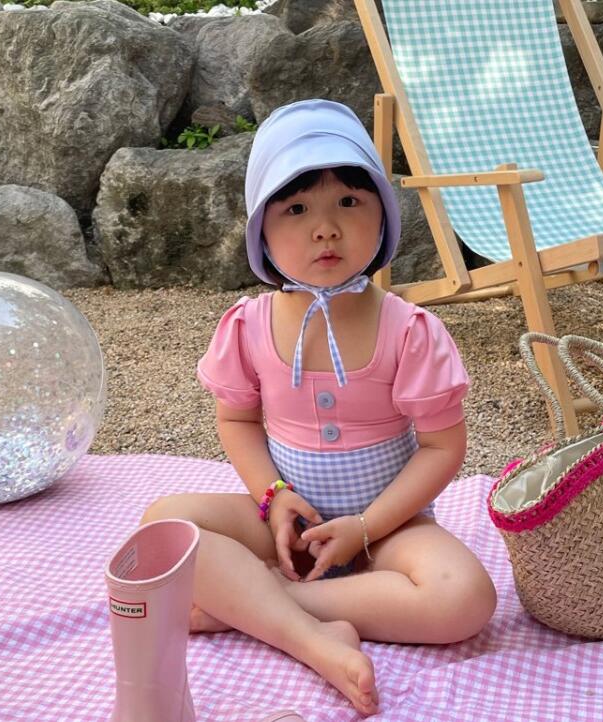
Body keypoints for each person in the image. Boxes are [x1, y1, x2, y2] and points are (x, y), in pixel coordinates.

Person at [141, 99, 497, 717]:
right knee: (164, 525)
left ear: (383, 217)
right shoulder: (248, 326)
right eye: (297, 208)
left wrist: (367, 527)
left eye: (349, 201)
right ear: (261, 229)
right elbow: (237, 420)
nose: (326, 228)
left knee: (466, 598)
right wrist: (274, 498)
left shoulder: (408, 330)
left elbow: (443, 447)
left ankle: (261, 603)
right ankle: (314, 639)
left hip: (388, 532)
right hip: (286, 524)